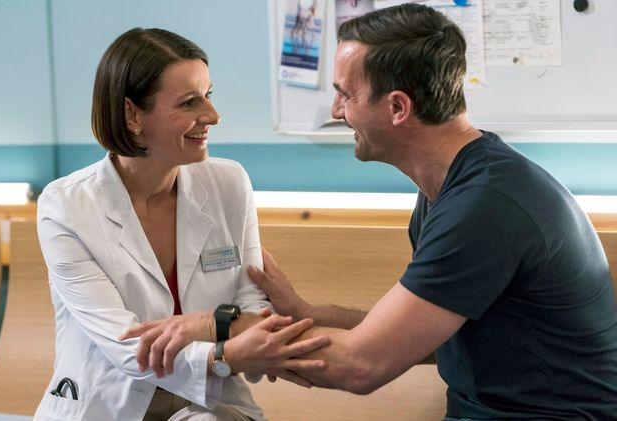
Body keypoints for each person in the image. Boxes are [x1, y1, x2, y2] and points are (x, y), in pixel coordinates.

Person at [245, 4, 617, 420]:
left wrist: (223, 339)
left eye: (345, 95)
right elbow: (415, 334)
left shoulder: (483, 206)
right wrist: (306, 314)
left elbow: (361, 365)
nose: (336, 111)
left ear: (398, 108)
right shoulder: (453, 186)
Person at [35, 27, 328, 421]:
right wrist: (226, 353)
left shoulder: (229, 183)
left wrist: (221, 333)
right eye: (189, 102)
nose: (212, 116)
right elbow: (126, 346)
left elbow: (253, 312)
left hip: (211, 403)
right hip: (107, 405)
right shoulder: (66, 207)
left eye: (208, 95)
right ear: (132, 115)